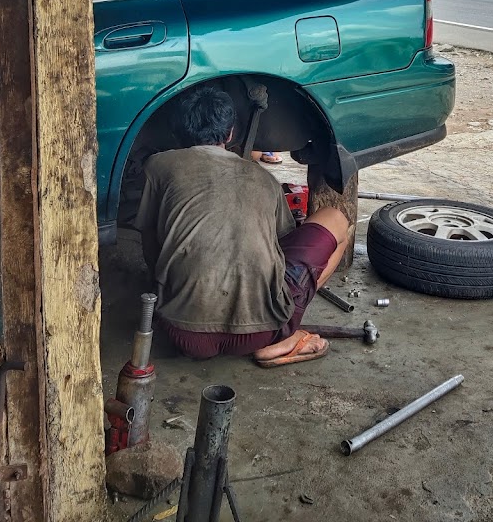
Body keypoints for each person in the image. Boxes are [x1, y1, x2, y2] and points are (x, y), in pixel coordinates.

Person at [135, 86, 349, 366]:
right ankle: (284, 338)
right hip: (261, 333)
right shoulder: (264, 179)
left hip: (181, 332)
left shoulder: (157, 166)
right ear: (230, 133)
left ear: (177, 132)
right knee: (337, 219)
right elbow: (280, 249)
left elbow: (149, 242)